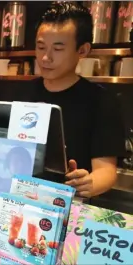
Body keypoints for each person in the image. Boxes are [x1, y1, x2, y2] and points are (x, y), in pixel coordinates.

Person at [33, 2, 126, 198]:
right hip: (23, 198)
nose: (45, 58)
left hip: (71, 204)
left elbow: (106, 171)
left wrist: (88, 183)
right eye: (41, 47)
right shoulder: (21, 93)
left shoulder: (101, 101)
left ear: (82, 50)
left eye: (57, 49)